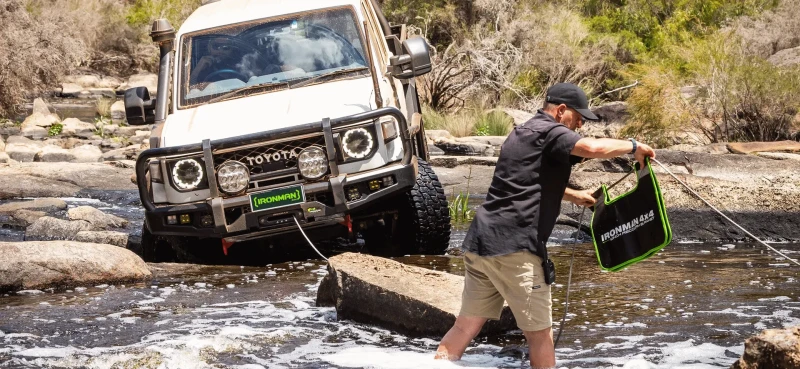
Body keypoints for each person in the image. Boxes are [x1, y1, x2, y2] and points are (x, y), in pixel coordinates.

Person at [434, 83, 656, 368]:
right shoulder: (551, 132)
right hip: (515, 248)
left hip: (480, 244)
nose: (579, 126)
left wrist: (574, 196)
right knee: (540, 336)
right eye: (577, 119)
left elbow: (526, 180)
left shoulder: (519, 133)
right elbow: (592, 148)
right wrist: (635, 146)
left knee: (464, 327)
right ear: (561, 110)